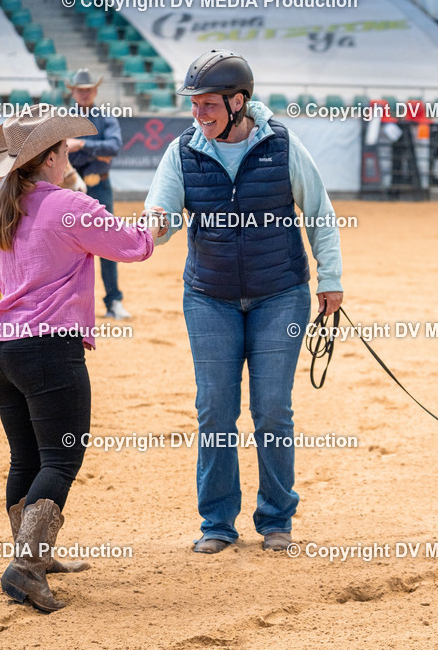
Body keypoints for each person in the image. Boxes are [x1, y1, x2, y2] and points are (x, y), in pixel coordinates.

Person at [145, 49, 344, 554]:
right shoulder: (182, 152)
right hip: (209, 297)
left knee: (273, 410)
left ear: (238, 102)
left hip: (281, 294)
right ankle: (217, 523)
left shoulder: (282, 144)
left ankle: (277, 518)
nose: (198, 113)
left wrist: (331, 278)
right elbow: (161, 212)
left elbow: (318, 210)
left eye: (208, 104)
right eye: (194, 104)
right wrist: (152, 227)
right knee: (214, 409)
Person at [0, 105, 162, 612]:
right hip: (49, 350)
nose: (68, 157)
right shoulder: (69, 205)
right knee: (61, 458)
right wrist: (158, 226)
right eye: (64, 151)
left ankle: (32, 552)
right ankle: (27, 567)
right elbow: (134, 245)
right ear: (53, 157)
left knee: (26, 457)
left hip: (0, 350)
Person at [65, 69, 130, 319]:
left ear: (95, 91)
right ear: (73, 91)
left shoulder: (106, 117)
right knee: (69, 244)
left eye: (88, 89)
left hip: (99, 186)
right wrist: (97, 151)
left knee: (107, 242)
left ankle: (113, 300)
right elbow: (61, 148)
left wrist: (80, 145)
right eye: (80, 89)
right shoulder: (64, 119)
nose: (84, 93)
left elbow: (113, 148)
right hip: (70, 188)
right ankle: (71, 303)